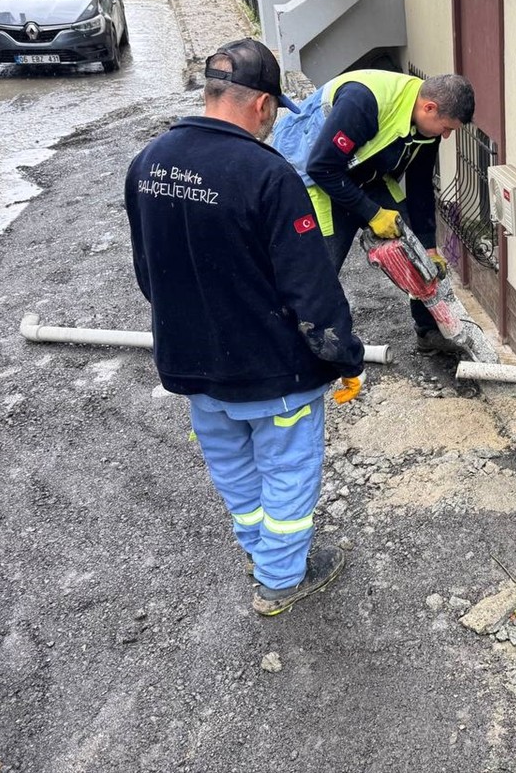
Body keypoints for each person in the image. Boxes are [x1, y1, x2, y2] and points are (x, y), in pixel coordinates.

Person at [125, 38, 365, 617]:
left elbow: (148, 271)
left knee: (232, 467)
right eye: (274, 113)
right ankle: (281, 581)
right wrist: (345, 358)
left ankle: (261, 552)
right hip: (271, 371)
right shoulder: (267, 175)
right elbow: (310, 288)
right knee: (287, 472)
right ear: (261, 105)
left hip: (193, 364)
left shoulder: (148, 161)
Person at [270, 69, 475, 355]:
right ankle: (294, 346)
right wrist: (373, 214)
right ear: (430, 107)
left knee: (414, 249)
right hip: (319, 178)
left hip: (367, 174)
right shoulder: (364, 101)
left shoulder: (426, 123)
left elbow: (420, 187)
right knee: (321, 269)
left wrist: (428, 246)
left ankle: (428, 333)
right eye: (447, 127)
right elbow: (322, 167)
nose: (448, 135)